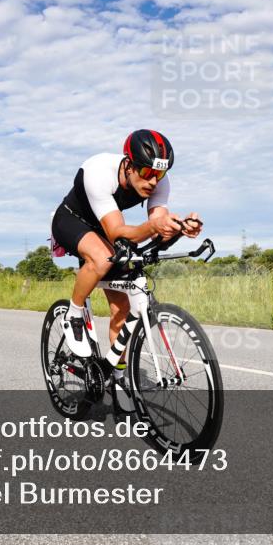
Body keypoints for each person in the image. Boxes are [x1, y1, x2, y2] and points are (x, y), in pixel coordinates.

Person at [50, 130, 202, 408]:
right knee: (100, 257)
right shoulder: (98, 172)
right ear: (129, 165)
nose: (153, 181)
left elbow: (157, 227)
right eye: (146, 173)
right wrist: (154, 227)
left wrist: (179, 229)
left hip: (106, 229)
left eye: (160, 174)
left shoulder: (159, 181)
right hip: (72, 221)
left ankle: (117, 376)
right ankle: (73, 315)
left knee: (122, 307)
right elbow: (118, 231)